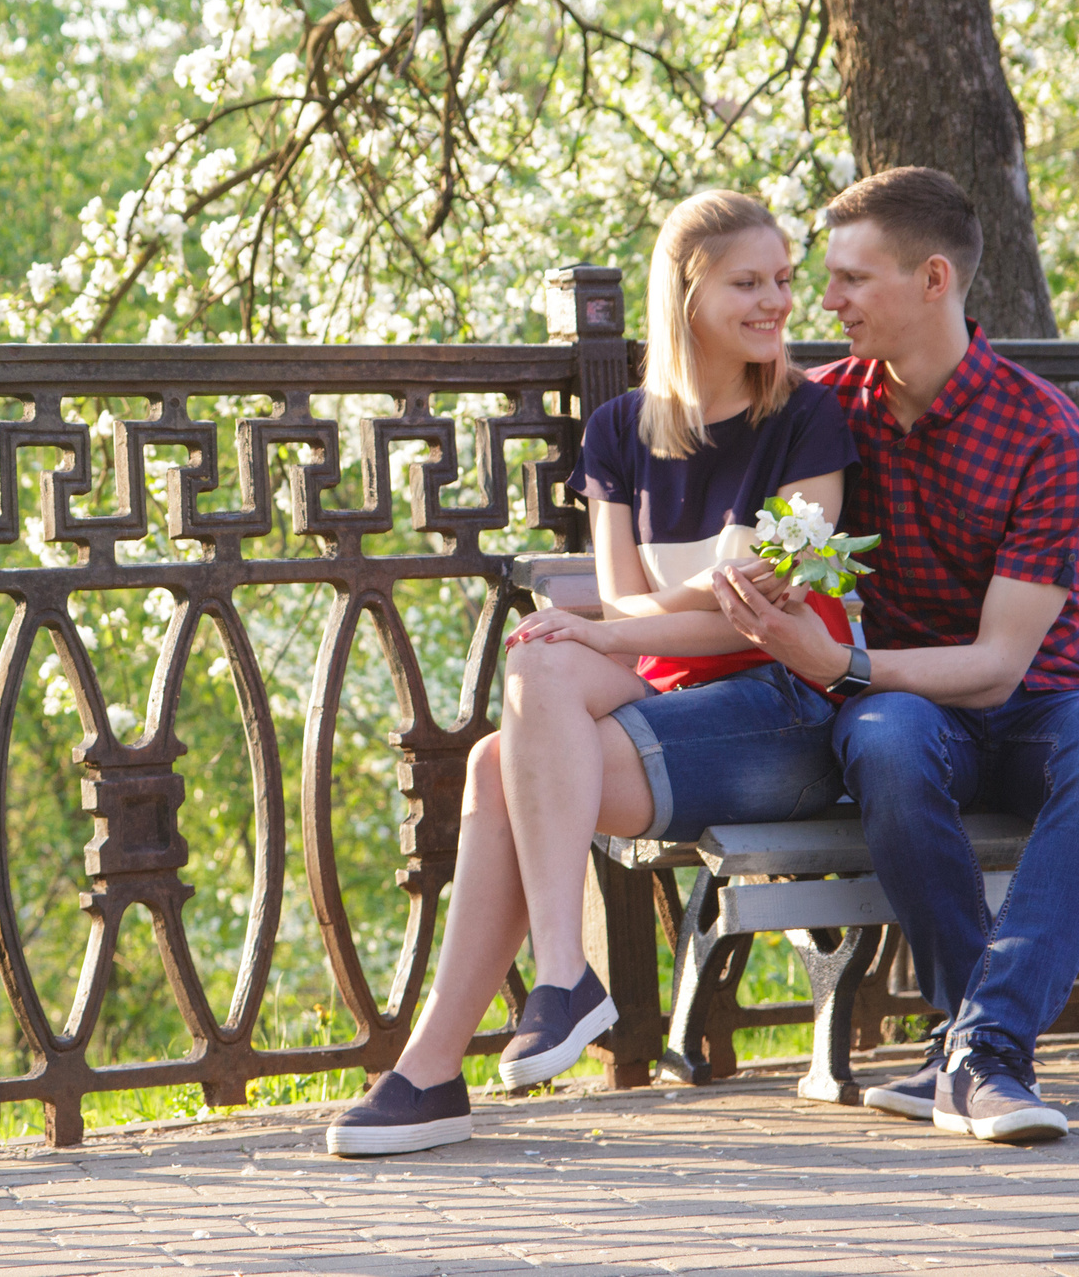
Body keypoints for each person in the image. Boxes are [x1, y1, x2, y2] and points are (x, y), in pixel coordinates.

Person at [325, 189, 860, 1156]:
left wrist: (616, 628)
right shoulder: (620, 429)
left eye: (783, 279)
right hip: (670, 691)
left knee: (500, 762)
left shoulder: (807, 420)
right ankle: (552, 985)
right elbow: (623, 602)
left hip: (785, 706)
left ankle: (445, 1060)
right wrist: (619, 624)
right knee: (537, 666)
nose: (778, 301)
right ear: (686, 292)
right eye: (749, 282)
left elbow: (757, 617)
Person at [711, 165, 1079, 1146]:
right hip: (914, 715)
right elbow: (723, 479)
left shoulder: (1045, 432)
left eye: (851, 278)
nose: (825, 301)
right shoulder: (826, 413)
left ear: (933, 279)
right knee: (882, 737)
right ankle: (980, 1054)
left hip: (1045, 701)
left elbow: (999, 664)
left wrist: (840, 666)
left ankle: (976, 1047)